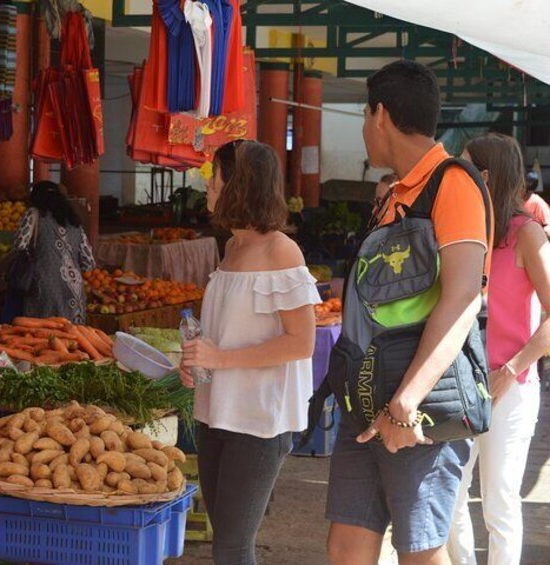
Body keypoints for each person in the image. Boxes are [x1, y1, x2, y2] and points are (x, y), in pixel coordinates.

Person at [326, 60, 492, 565]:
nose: (363, 130)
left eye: (363, 115)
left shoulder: (453, 184)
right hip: (364, 404)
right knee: (346, 548)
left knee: (420, 550)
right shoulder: (394, 194)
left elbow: (464, 297)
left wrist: (407, 401)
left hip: (415, 409)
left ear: (380, 115)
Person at [180, 140, 319, 565]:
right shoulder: (231, 248)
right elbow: (229, 330)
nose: (208, 184)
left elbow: (302, 342)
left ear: (238, 184)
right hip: (215, 410)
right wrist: (198, 361)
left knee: (233, 546)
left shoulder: (281, 250)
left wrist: (219, 359)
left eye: (215, 175)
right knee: (226, 537)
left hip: (259, 420)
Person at [447, 134, 547, 565]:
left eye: (465, 167)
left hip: (509, 387)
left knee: (499, 503)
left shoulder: (527, 233)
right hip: (460, 383)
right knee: (449, 493)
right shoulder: (465, 229)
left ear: (484, 176)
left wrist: (512, 369)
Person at [11, 181, 95, 324]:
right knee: (73, 338)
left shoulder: (34, 214)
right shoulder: (73, 220)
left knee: (44, 336)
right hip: (75, 291)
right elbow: (89, 262)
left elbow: (19, 245)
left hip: (44, 288)